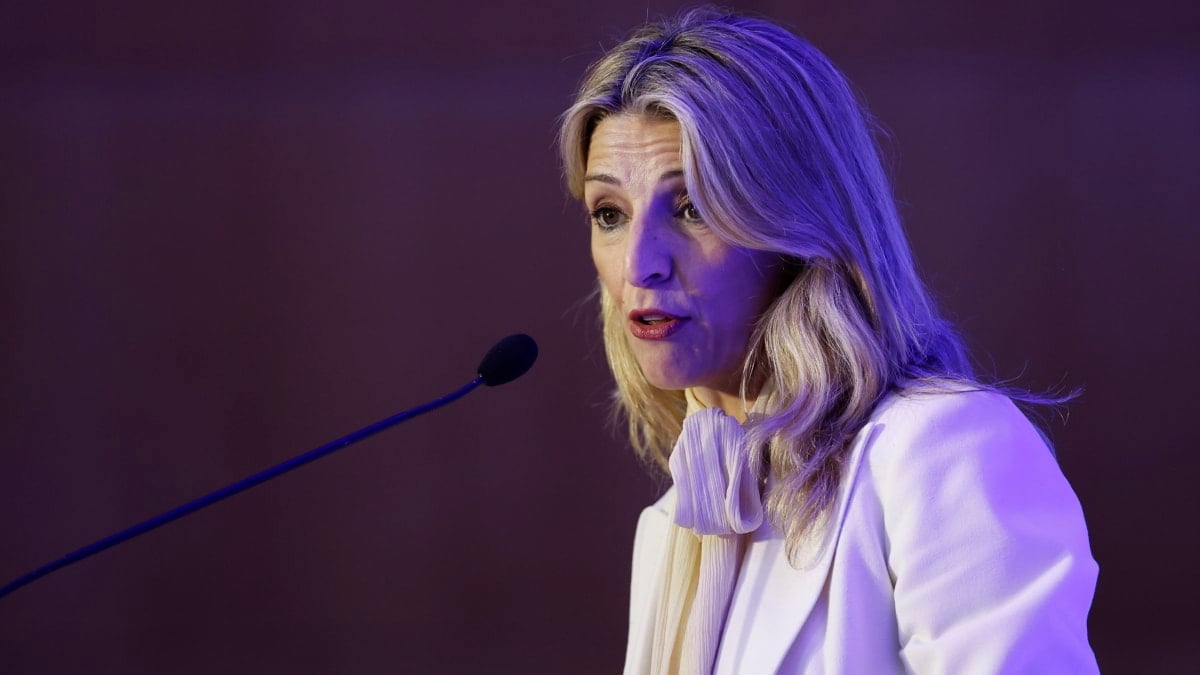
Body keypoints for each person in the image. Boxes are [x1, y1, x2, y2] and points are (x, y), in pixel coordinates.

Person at [558, 6, 1098, 675]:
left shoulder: (943, 449)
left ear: (795, 226)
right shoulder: (675, 524)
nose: (640, 264)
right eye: (609, 214)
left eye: (692, 205)